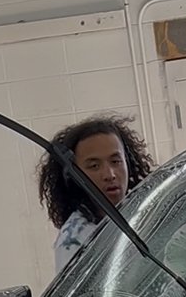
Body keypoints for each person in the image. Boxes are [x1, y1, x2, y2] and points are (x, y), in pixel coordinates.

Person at [38, 114, 153, 273]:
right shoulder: (75, 242)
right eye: (94, 166)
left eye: (115, 161)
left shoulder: (150, 210)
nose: (110, 174)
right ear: (74, 176)